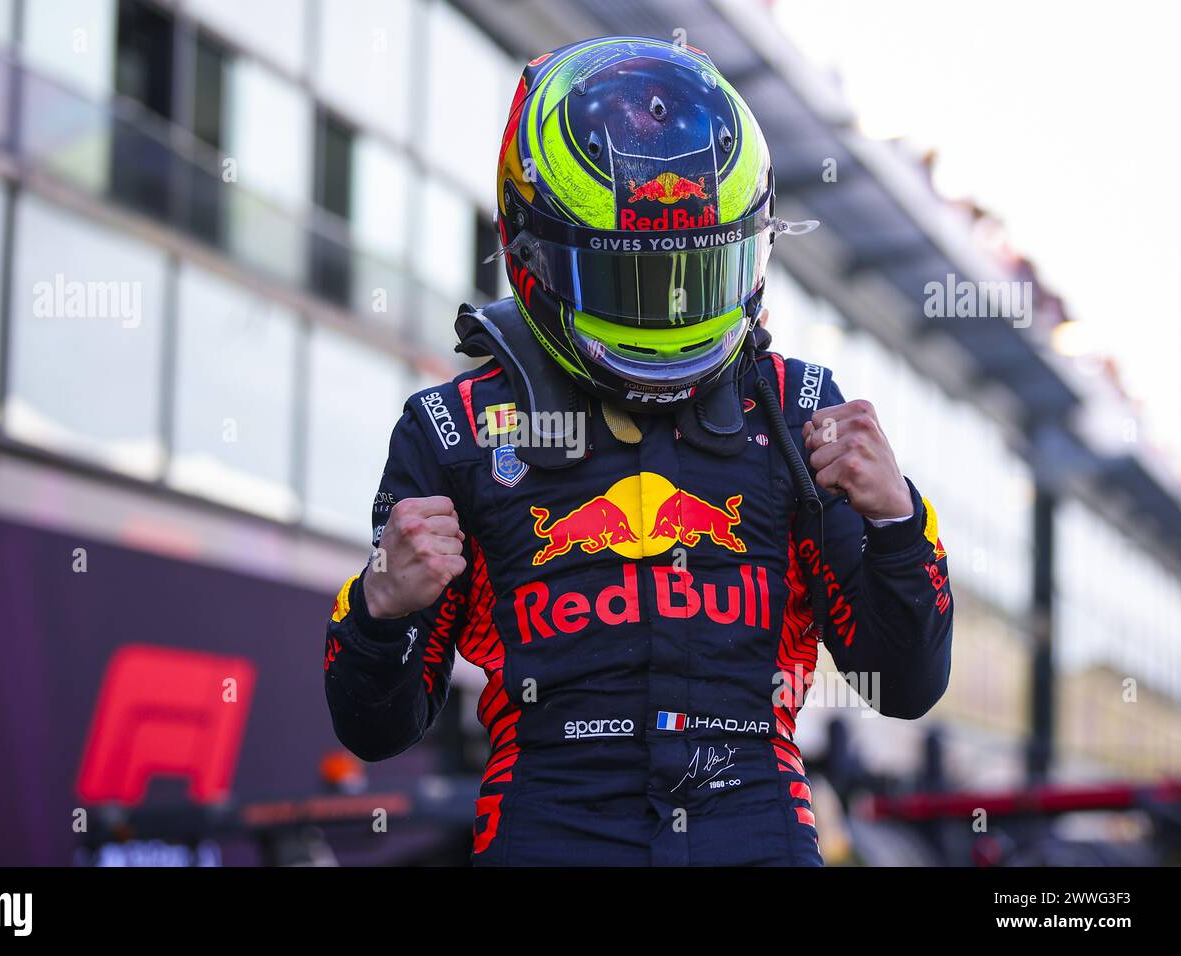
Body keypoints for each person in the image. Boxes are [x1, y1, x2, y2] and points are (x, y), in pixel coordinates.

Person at [322, 36, 953, 866]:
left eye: (697, 272)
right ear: (531, 252)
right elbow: (375, 730)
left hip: (755, 823)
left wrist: (897, 522)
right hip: (551, 828)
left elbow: (904, 686)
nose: (671, 313)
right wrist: (383, 607)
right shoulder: (455, 429)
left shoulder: (806, 416)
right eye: (637, 281)